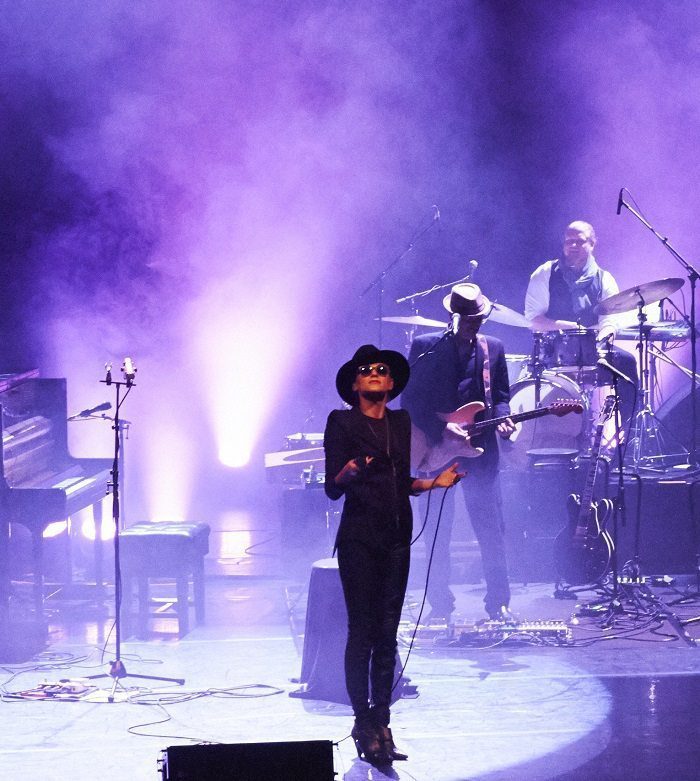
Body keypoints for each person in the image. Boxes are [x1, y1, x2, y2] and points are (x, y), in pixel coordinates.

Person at [324, 344, 461, 766]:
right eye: (366, 370)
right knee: (362, 632)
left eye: (382, 369)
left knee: (387, 634)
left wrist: (435, 483)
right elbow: (333, 486)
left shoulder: (400, 424)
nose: (375, 374)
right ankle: (361, 721)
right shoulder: (341, 421)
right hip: (359, 539)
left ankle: (383, 721)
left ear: (392, 382)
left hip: (396, 538)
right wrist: (352, 468)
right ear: (354, 384)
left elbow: (403, 482)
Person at [401, 283, 516, 624]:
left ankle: (499, 604)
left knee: (491, 531)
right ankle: (439, 605)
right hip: (438, 451)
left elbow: (502, 393)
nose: (472, 324)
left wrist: (505, 415)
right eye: (467, 319)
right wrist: (441, 431)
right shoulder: (426, 347)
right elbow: (411, 402)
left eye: (477, 318)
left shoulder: (493, 348)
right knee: (438, 530)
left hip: (481, 451)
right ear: (453, 316)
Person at [524, 220, 638, 421]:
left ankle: (630, 431)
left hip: (593, 349)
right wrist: (566, 328)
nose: (573, 245)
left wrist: (602, 341)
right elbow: (533, 319)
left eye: (580, 241)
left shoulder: (604, 279)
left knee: (627, 363)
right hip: (553, 351)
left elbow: (609, 321)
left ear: (592, 244)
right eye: (569, 241)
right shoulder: (544, 273)